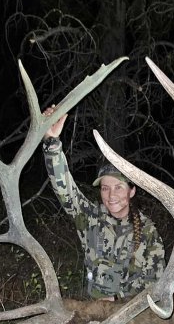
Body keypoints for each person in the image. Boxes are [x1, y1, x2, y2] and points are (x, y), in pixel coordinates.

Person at [41, 105, 166, 301]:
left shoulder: (148, 232)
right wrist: (51, 142)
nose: (111, 195)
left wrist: (118, 299)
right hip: (95, 309)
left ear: (132, 191)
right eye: (105, 188)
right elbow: (65, 189)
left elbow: (156, 284)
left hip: (131, 315)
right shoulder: (90, 217)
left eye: (118, 187)